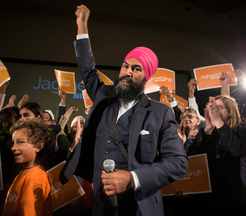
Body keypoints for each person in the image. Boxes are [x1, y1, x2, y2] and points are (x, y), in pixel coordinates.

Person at [60, 4, 188, 216]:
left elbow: (178, 162)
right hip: (101, 205)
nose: (128, 72)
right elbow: (87, 69)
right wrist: (82, 26)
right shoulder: (103, 96)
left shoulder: (160, 113)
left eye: (136, 69)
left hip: (140, 206)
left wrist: (133, 179)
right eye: (125, 66)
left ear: (145, 76)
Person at [183, 95, 246, 216]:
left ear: (231, 111)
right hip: (218, 200)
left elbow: (238, 151)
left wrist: (219, 123)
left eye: (219, 108)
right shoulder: (207, 133)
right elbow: (196, 158)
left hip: (240, 198)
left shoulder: (242, 129)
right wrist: (209, 129)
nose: (214, 111)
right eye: (213, 108)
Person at [2, 119, 52, 216]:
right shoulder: (25, 172)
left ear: (38, 146)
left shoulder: (35, 178)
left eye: (20, 142)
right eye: (13, 142)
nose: (13, 147)